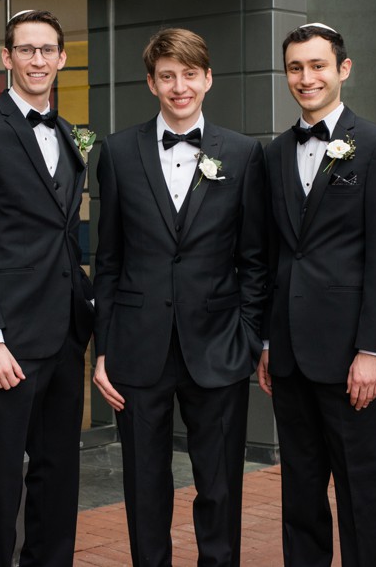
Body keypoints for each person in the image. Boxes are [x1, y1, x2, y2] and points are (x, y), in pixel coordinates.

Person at [92, 28, 266, 565]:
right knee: (145, 486)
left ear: (208, 79)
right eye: (167, 76)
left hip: (218, 347)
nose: (179, 86)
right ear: (151, 83)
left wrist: (249, 336)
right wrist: (103, 348)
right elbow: (109, 259)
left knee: (219, 484)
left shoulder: (242, 153)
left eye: (189, 74)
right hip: (137, 349)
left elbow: (255, 259)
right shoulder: (119, 152)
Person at [258, 22, 376, 566]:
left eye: (318, 65)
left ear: (343, 69)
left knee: (363, 493)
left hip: (352, 357)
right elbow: (278, 255)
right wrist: (267, 342)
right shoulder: (275, 152)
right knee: (300, 495)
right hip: (291, 358)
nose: (307, 78)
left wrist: (373, 350)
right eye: (296, 68)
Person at [0, 9, 95, 565]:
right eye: (26, 50)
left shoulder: (66, 133)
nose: (38, 60)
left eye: (48, 50)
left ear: (61, 58)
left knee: (59, 475)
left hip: (63, 338)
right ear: (6, 58)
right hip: (5, 343)